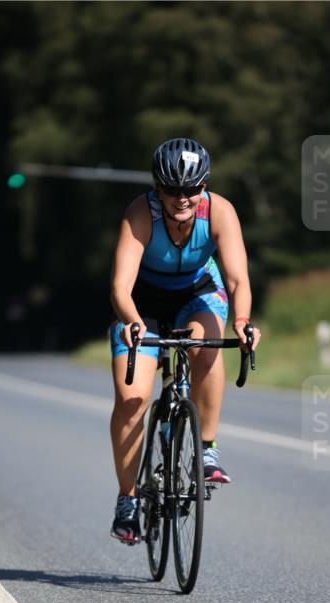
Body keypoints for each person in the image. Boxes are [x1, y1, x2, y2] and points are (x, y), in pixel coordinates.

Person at [108, 137, 261, 543]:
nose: (183, 198)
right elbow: (120, 287)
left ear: (204, 186)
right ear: (158, 187)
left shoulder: (220, 212)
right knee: (131, 399)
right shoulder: (141, 214)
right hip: (144, 305)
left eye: (192, 189)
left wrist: (243, 322)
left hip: (198, 294)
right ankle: (128, 500)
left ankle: (206, 447)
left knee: (205, 349)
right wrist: (132, 321)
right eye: (173, 189)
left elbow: (237, 280)